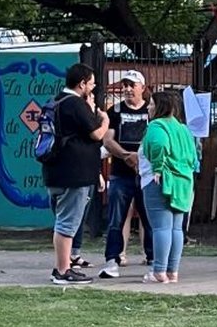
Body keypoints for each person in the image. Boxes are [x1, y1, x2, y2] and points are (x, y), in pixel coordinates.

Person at [42, 62, 109, 284]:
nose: (94, 87)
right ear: (82, 84)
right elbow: (96, 134)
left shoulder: (56, 101)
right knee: (67, 224)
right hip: (74, 174)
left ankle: (63, 266)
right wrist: (104, 118)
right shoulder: (75, 104)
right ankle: (62, 270)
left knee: (63, 221)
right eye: (91, 83)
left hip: (55, 171)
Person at [99, 70, 154, 279]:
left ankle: (153, 258)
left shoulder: (150, 111)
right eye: (125, 85)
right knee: (116, 218)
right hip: (121, 174)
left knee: (149, 217)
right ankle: (112, 259)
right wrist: (126, 156)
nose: (128, 89)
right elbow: (108, 139)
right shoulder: (115, 111)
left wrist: (142, 159)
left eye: (132, 85)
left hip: (145, 174)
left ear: (142, 88)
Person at [139, 90, 198, 284]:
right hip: (183, 182)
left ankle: (159, 271)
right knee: (176, 228)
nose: (148, 107)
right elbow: (193, 155)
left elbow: (158, 144)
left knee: (160, 228)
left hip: (161, 181)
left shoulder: (157, 125)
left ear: (160, 107)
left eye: (151, 104)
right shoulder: (183, 128)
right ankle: (173, 271)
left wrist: (158, 167)